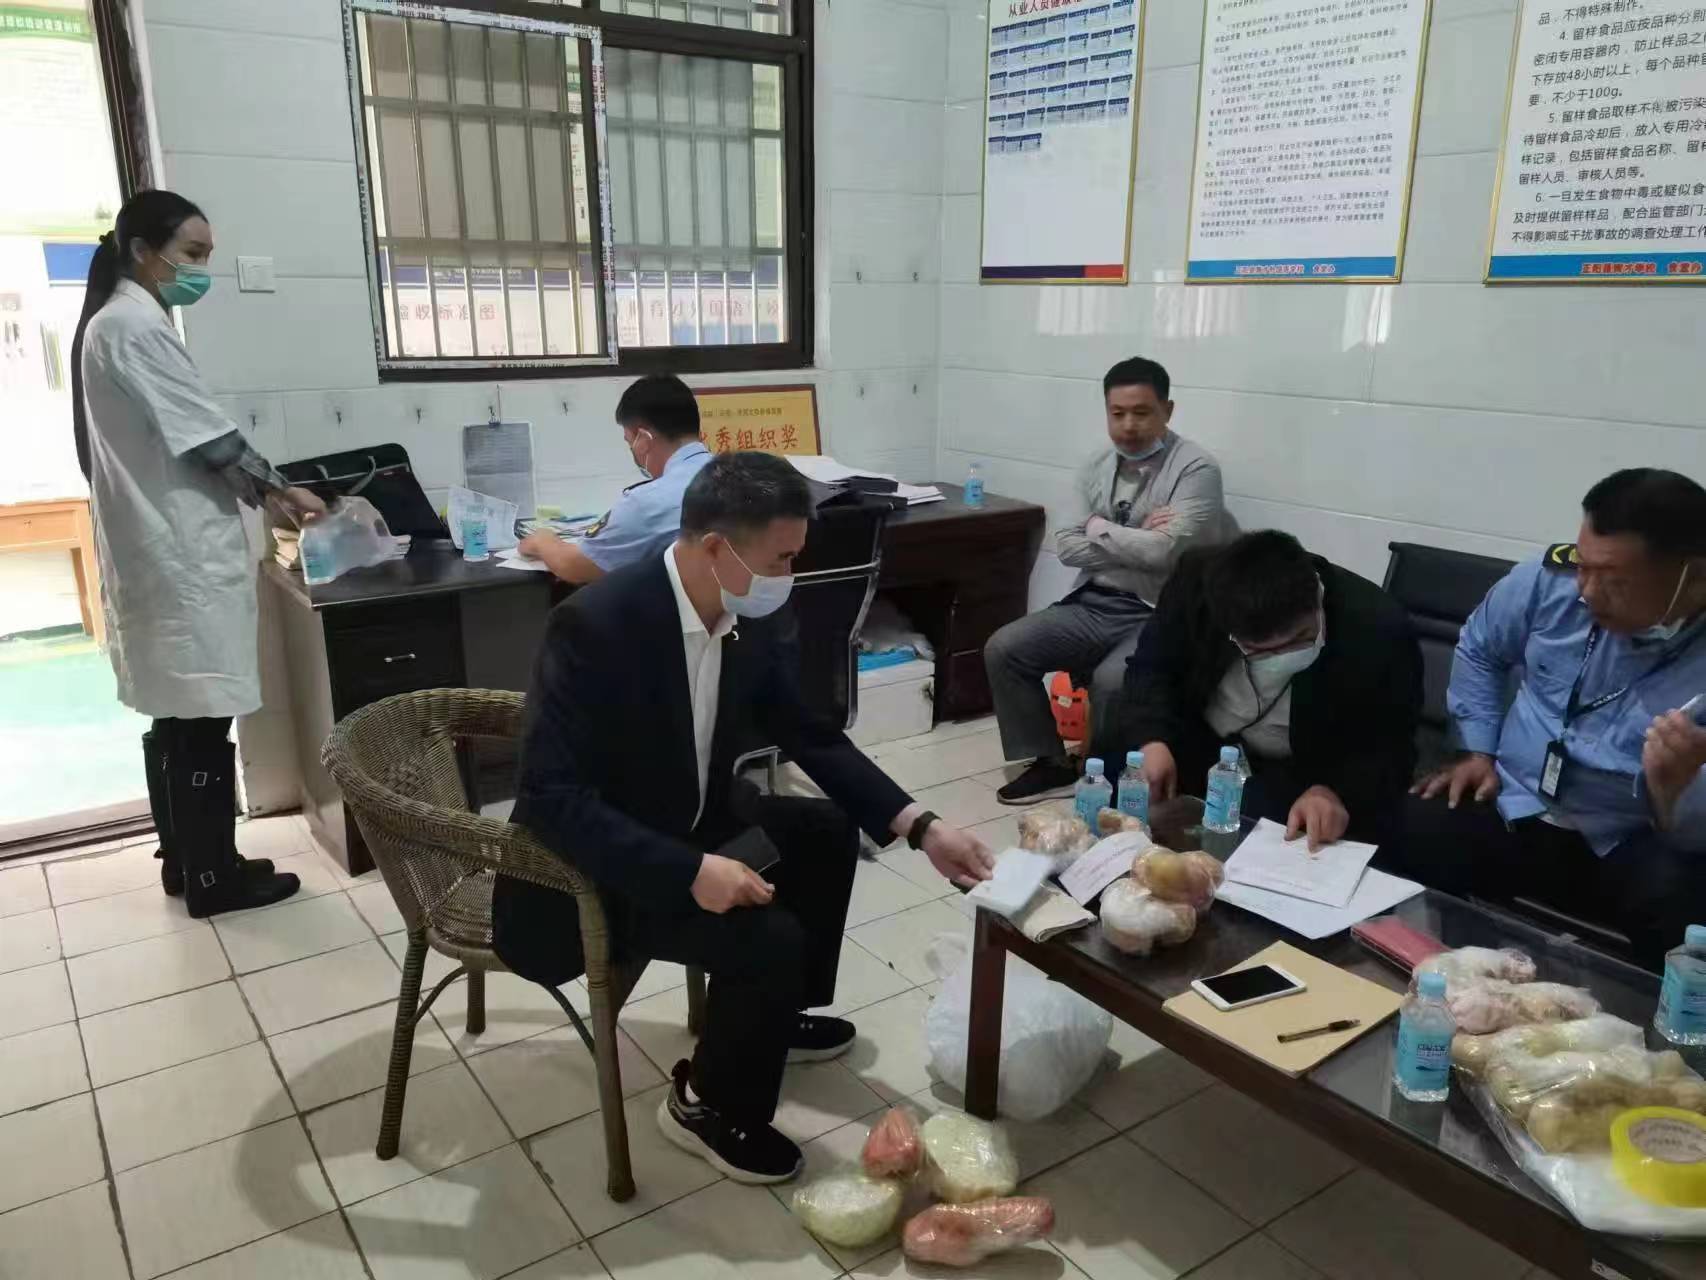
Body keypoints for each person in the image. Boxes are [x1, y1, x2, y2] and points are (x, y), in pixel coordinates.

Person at [492, 452, 995, 1184]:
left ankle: (774, 1016)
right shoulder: (597, 625)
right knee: (767, 937)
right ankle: (704, 1103)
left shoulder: (746, 614)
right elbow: (549, 796)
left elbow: (809, 731)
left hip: (689, 819)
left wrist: (920, 826)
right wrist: (689, 872)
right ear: (714, 548)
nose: (791, 575)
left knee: (823, 834)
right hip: (596, 866)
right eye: (782, 558)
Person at [70, 189, 323, 917]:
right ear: (143, 251)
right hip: (178, 553)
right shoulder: (131, 326)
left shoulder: (116, 324)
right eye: (191, 254)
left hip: (159, 549)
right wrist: (282, 491)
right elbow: (205, 434)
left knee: (178, 717)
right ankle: (216, 879)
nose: (201, 270)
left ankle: (190, 864)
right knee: (202, 718)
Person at [1396, 469, 1706, 967]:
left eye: (1615, 581)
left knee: (1685, 905)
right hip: (1520, 802)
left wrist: (1678, 795)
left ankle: (1648, 1014)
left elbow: (1693, 834)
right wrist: (1477, 749)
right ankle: (1451, 979)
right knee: (1421, 820)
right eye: (1584, 567)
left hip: (1630, 833)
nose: (1589, 592)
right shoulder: (1549, 582)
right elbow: (1480, 648)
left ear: (1693, 577)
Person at [984, 356, 1235, 804]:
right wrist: (1140, 536)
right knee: (1006, 648)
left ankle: (1102, 774)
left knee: (1113, 680)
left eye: (1142, 412)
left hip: (1159, 611)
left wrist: (1098, 526)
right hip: (1096, 600)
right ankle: (1051, 764)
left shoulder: (1196, 469)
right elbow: (1066, 545)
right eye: (1117, 413)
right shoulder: (1097, 465)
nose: (1128, 426)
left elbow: (1165, 554)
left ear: (1167, 410)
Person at [1098, 530, 1421, 848]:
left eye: (1300, 639)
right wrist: (1153, 740)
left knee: (1273, 834)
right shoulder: (1196, 584)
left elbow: (1391, 745)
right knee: (1110, 782)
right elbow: (1152, 667)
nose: (1279, 657)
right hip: (1195, 741)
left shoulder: (1378, 628)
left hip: (1299, 771)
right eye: (1258, 650)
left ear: (1316, 599)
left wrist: (1335, 790)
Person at [516, 373, 712, 583]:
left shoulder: (648, 502)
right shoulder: (734, 474)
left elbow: (574, 566)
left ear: (643, 439)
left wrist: (542, 540)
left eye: (629, 442)